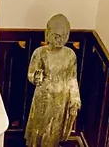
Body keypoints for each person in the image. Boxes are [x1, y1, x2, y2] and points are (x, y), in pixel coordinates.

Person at [25, 14, 81, 147]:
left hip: (61, 97)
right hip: (44, 95)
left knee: (55, 127)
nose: (60, 40)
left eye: (64, 36)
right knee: (40, 126)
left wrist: (75, 97)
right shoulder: (40, 53)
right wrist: (36, 77)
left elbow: (72, 78)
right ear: (49, 34)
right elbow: (31, 73)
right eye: (56, 36)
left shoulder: (70, 55)